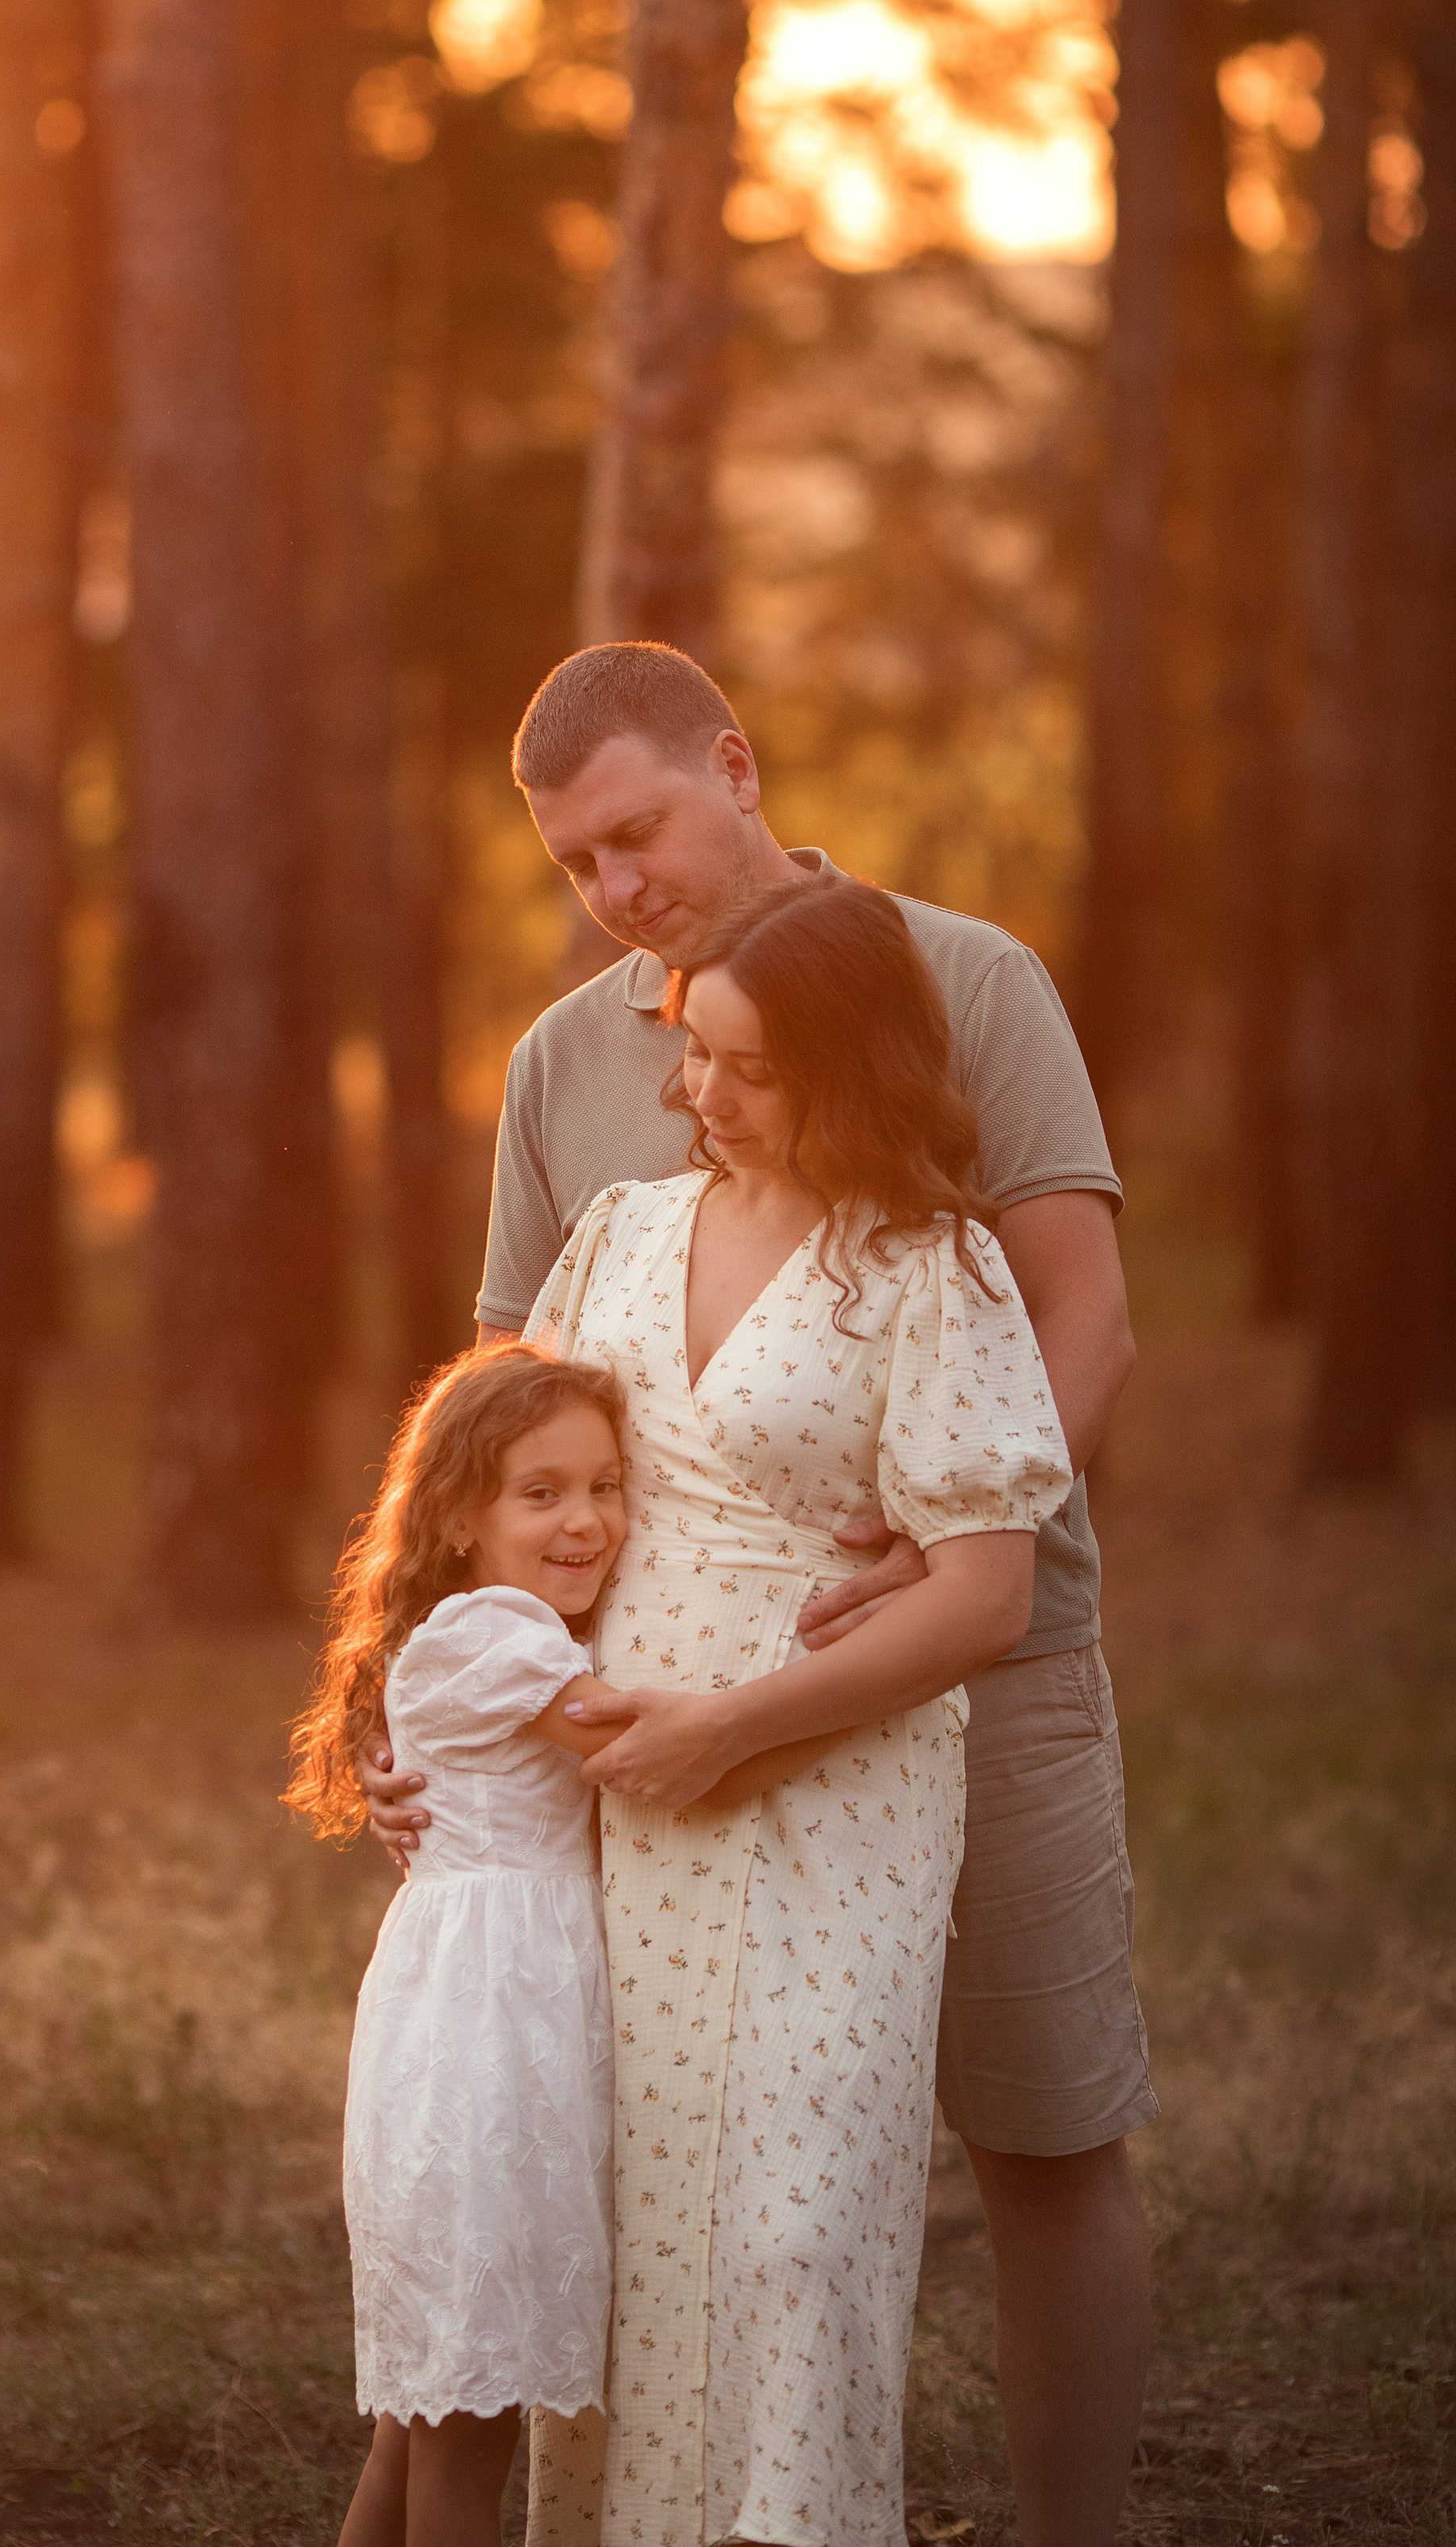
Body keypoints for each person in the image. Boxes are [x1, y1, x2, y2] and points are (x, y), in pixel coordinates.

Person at [363, 643, 1156, 2547]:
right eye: (576, 865)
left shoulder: (966, 982)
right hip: (637, 1731)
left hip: (987, 1646)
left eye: (634, 831)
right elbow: (498, 1424)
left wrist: (944, 1522)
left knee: (1039, 2124)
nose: (616, 887)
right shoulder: (568, 1064)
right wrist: (430, 1705)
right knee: (614, 2156)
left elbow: (1084, 1315)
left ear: (731, 767)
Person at [286, 1345, 634, 2547]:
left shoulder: (483, 1628)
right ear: (457, 1517)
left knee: (430, 2416)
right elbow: (635, 1739)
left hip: (483, 2017)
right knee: (467, 2430)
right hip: (486, 2042)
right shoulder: (496, 1636)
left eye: (607, 1485)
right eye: (541, 1494)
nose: (586, 1521)